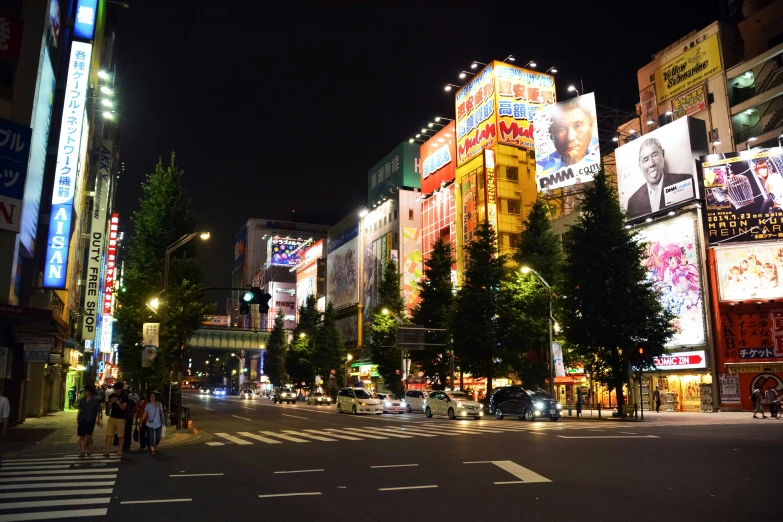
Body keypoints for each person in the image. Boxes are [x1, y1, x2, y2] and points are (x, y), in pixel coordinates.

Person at [626, 137, 694, 219]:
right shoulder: (633, 202)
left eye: (654, 155)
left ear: (663, 154)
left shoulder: (684, 180)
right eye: (645, 159)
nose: (651, 163)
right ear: (640, 167)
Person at [538, 97, 599, 177]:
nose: (570, 137)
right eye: (561, 129)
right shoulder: (544, 169)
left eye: (578, 126)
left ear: (591, 125)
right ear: (551, 133)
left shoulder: (596, 160)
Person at [76, 384, 102, 457]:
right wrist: (78, 418)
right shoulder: (82, 400)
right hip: (82, 418)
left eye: (86, 391)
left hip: (91, 419)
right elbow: (79, 410)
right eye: (84, 391)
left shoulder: (95, 400)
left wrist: (98, 419)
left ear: (90, 392)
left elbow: (98, 411)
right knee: (82, 435)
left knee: (88, 435)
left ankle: (90, 446)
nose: (85, 392)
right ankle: (82, 451)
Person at [104, 382, 128, 457]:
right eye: (116, 389)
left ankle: (120, 451)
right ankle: (107, 451)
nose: (117, 390)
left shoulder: (124, 397)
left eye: (119, 389)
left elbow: (123, 407)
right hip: (112, 417)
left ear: (121, 389)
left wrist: (117, 401)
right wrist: (111, 402)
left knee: (120, 435)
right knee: (109, 435)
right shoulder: (112, 396)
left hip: (121, 418)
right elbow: (109, 407)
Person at [140, 391, 164, 455]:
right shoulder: (148, 405)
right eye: (151, 396)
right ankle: (152, 449)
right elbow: (145, 414)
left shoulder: (159, 404)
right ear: (149, 398)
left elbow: (162, 413)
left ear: (155, 397)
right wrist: (141, 421)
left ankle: (156, 444)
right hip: (150, 424)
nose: (152, 398)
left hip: (158, 423)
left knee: (158, 437)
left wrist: (163, 421)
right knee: (151, 436)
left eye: (153, 396)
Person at [121, 388, 136, 453]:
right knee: (126, 432)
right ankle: (125, 446)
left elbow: (135, 409)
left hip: (127, 418)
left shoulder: (130, 402)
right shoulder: (130, 401)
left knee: (126, 432)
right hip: (125, 418)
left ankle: (125, 446)